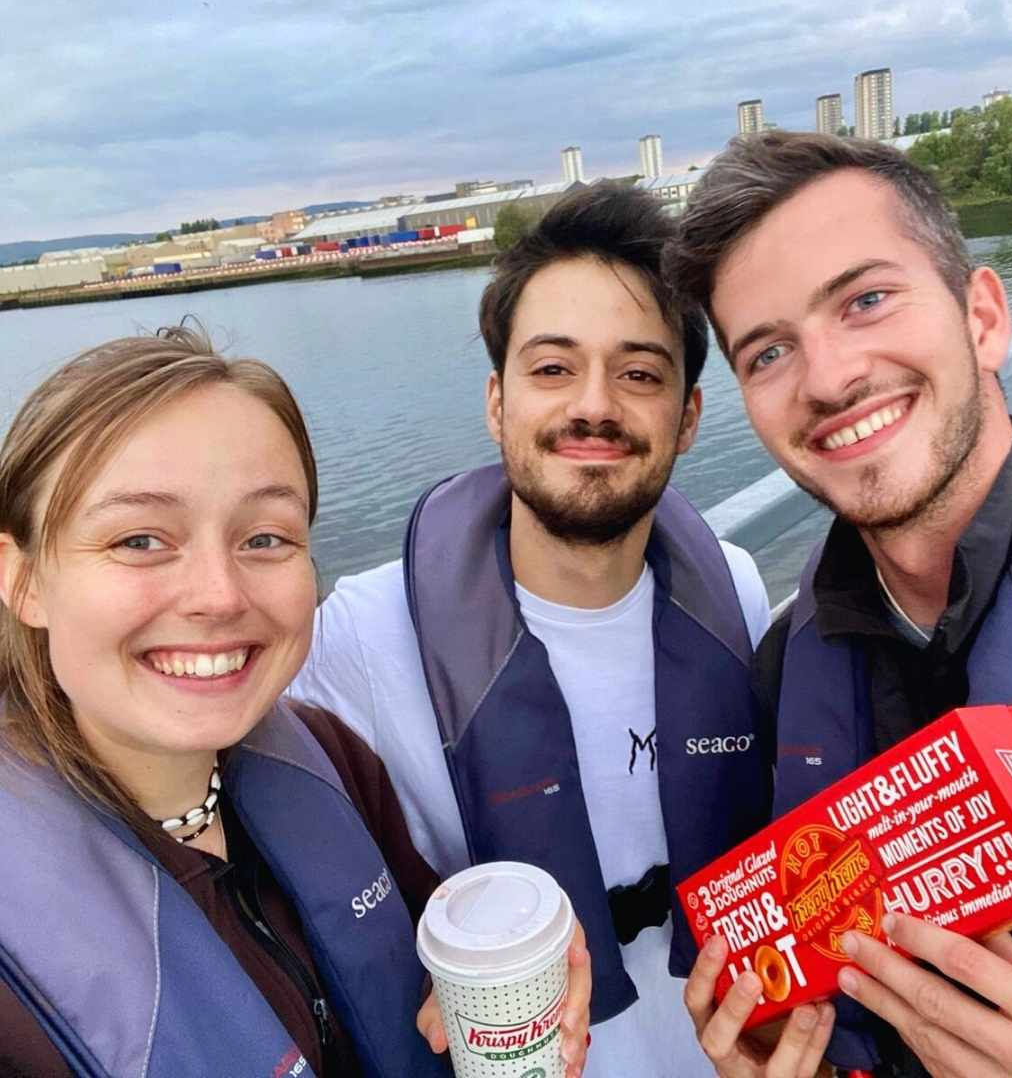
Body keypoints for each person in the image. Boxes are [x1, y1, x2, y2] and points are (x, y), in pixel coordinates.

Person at [0, 326, 590, 1078]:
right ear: (23, 580)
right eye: (140, 540)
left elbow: (434, 956)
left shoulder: (330, 761)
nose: (217, 595)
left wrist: (526, 960)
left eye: (267, 538)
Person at [290, 182, 778, 1076]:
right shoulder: (359, 636)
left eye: (640, 373)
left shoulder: (738, 595)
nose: (594, 406)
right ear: (496, 402)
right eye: (552, 368)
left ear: (690, 416)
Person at [665, 130, 1012, 1076]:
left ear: (982, 317)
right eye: (768, 352)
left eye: (866, 300)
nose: (828, 378)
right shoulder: (786, 671)